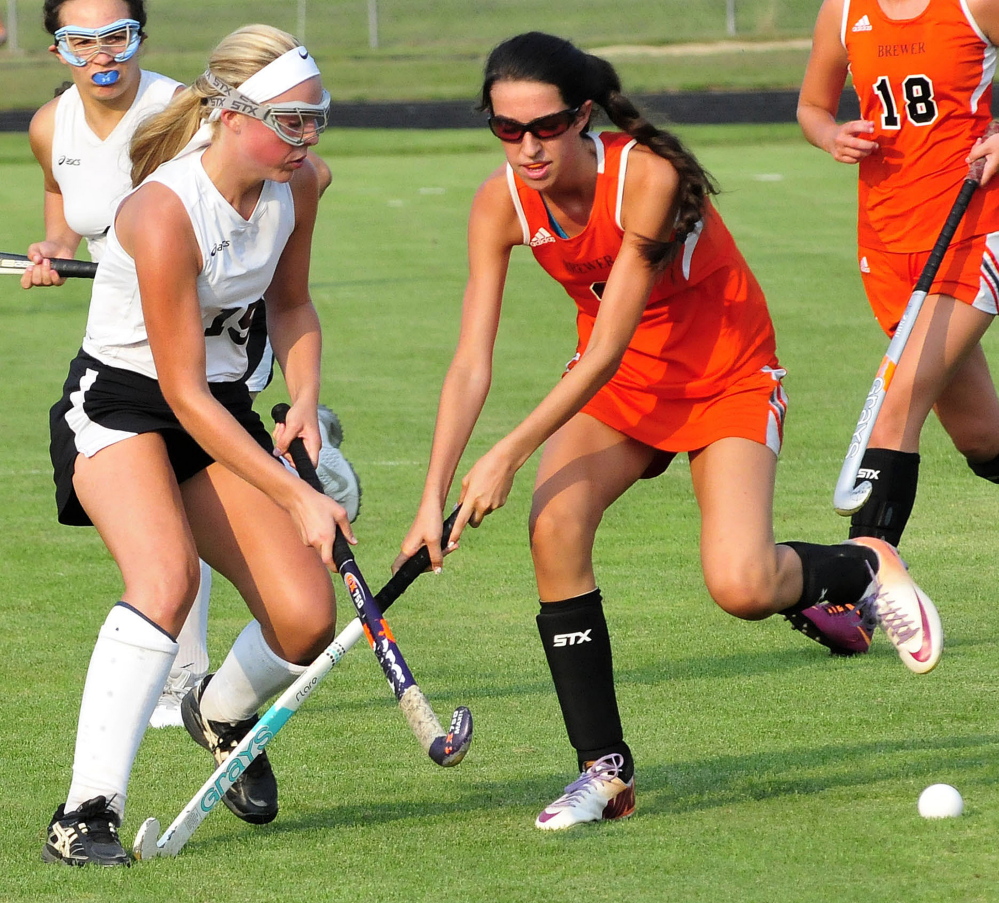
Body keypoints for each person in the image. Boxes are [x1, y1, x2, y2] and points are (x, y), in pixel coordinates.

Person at [396, 31, 944, 832]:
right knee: (554, 526)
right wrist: (430, 495)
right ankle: (604, 772)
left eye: (543, 127)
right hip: (621, 387)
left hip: (724, 372)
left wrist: (508, 453)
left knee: (742, 586)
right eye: (505, 130)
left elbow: (610, 335)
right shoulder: (498, 203)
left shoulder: (643, 177)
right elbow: (470, 360)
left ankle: (861, 563)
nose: (526, 148)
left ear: (581, 116)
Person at [41, 24, 352, 867]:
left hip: (221, 407)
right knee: (166, 578)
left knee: (303, 617)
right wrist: (299, 495)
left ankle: (218, 712)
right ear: (229, 113)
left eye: (317, 117)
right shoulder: (163, 209)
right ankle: (83, 811)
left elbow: (291, 307)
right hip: (122, 404)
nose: (308, 137)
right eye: (291, 122)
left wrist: (306, 405)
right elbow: (175, 388)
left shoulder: (299, 185)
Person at [796, 0, 999, 651]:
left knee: (894, 410)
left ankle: (855, 595)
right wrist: (830, 135)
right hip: (887, 241)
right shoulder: (844, 10)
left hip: (971, 227)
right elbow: (811, 106)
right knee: (979, 434)